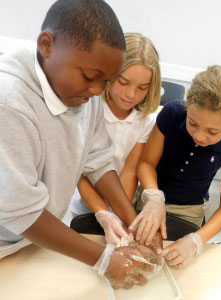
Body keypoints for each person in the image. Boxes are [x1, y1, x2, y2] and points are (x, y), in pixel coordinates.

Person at [0, 0, 156, 288]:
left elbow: (97, 159)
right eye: (88, 77)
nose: (97, 91)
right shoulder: (9, 103)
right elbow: (21, 211)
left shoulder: (84, 95)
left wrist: (131, 220)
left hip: (28, 241)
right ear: (47, 45)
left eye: (105, 81)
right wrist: (104, 259)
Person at [132, 65, 221, 267]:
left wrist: (195, 240)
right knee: (139, 251)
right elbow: (146, 163)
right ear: (188, 106)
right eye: (192, 123)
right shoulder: (172, 113)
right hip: (151, 195)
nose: (199, 136)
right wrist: (153, 196)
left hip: (189, 210)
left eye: (212, 132)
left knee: (178, 264)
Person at [69, 32, 162, 245]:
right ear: (109, 73)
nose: (131, 94)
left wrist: (121, 214)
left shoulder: (145, 120)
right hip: (86, 204)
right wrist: (104, 214)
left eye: (142, 88)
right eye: (123, 82)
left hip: (123, 204)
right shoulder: (88, 108)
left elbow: (130, 170)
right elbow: (79, 172)